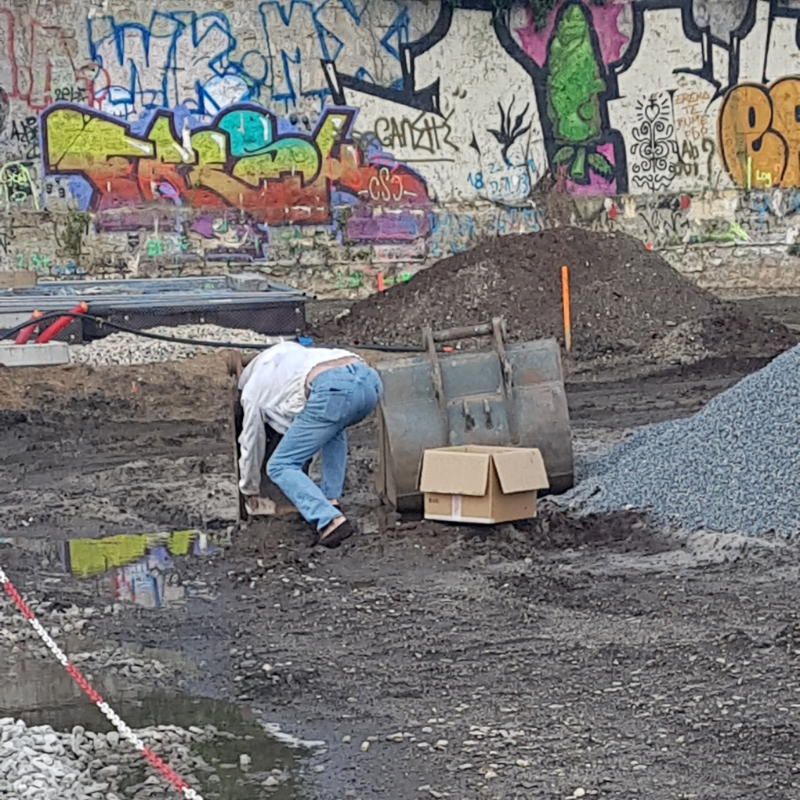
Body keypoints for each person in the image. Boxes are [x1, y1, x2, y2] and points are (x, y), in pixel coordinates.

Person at [237, 340, 383, 548]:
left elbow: (251, 442)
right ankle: (331, 500)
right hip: (369, 379)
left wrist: (249, 488)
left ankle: (329, 520)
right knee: (333, 426)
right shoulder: (291, 356)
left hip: (333, 388)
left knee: (280, 465)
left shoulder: (252, 392)